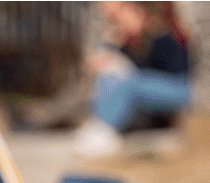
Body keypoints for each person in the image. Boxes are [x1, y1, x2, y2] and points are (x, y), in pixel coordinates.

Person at [73, 1, 192, 157]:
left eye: (125, 17)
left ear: (140, 13)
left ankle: (105, 130)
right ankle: (100, 127)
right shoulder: (131, 42)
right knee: (108, 77)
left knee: (128, 83)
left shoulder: (161, 36)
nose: (121, 23)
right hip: (147, 89)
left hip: (180, 89)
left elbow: (169, 72)